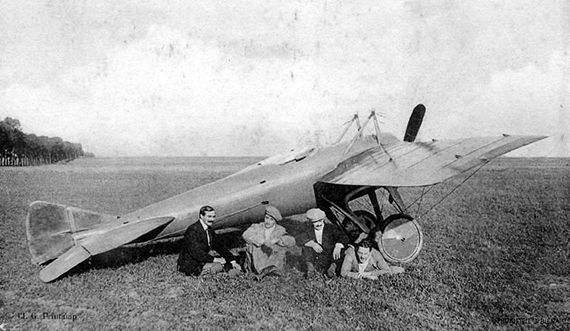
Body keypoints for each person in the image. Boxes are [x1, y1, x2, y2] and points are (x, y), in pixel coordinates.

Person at [177, 205, 239, 276]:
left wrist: (232, 260)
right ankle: (219, 274)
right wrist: (215, 259)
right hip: (190, 264)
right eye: (209, 217)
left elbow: (219, 247)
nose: (212, 219)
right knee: (219, 266)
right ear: (201, 216)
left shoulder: (209, 229)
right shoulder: (192, 230)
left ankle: (224, 272)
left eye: (213, 217)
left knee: (227, 263)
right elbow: (196, 252)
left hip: (201, 260)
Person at [242, 205, 296, 279]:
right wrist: (258, 240)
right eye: (266, 218)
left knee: (279, 249)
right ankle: (261, 272)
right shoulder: (257, 227)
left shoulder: (280, 230)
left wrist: (279, 240)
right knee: (252, 247)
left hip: (271, 256)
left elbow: (292, 241)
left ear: (275, 222)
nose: (268, 221)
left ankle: (266, 272)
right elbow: (246, 234)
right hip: (258, 256)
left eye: (271, 219)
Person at [297, 208, 349, 278]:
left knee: (340, 250)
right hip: (317, 257)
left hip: (330, 255)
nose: (318, 224)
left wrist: (338, 245)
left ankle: (332, 268)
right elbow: (298, 238)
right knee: (306, 247)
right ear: (311, 222)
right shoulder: (309, 229)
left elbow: (344, 236)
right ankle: (310, 268)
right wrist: (312, 244)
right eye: (315, 222)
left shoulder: (330, 228)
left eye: (320, 221)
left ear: (323, 220)